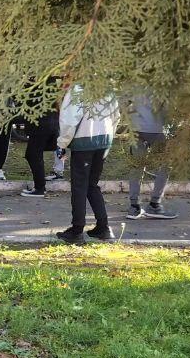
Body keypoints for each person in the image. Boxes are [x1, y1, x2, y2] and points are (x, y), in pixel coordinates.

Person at [56, 85, 120, 243]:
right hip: (104, 139)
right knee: (92, 184)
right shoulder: (107, 86)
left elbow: (69, 120)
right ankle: (103, 227)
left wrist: (62, 144)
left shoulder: (78, 88)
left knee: (79, 186)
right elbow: (116, 115)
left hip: (84, 140)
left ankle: (77, 229)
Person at [127, 94, 177, 219]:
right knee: (164, 166)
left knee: (136, 166)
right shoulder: (166, 80)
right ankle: (155, 204)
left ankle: (134, 206)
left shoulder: (133, 79)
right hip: (160, 129)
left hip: (137, 129)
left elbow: (123, 102)